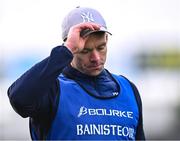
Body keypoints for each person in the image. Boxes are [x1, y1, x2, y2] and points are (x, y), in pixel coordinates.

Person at [7, 6, 145, 140]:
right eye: (85, 51)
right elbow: (19, 99)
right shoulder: (53, 89)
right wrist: (65, 50)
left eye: (101, 47)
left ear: (107, 41)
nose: (96, 58)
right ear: (71, 48)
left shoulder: (128, 90)